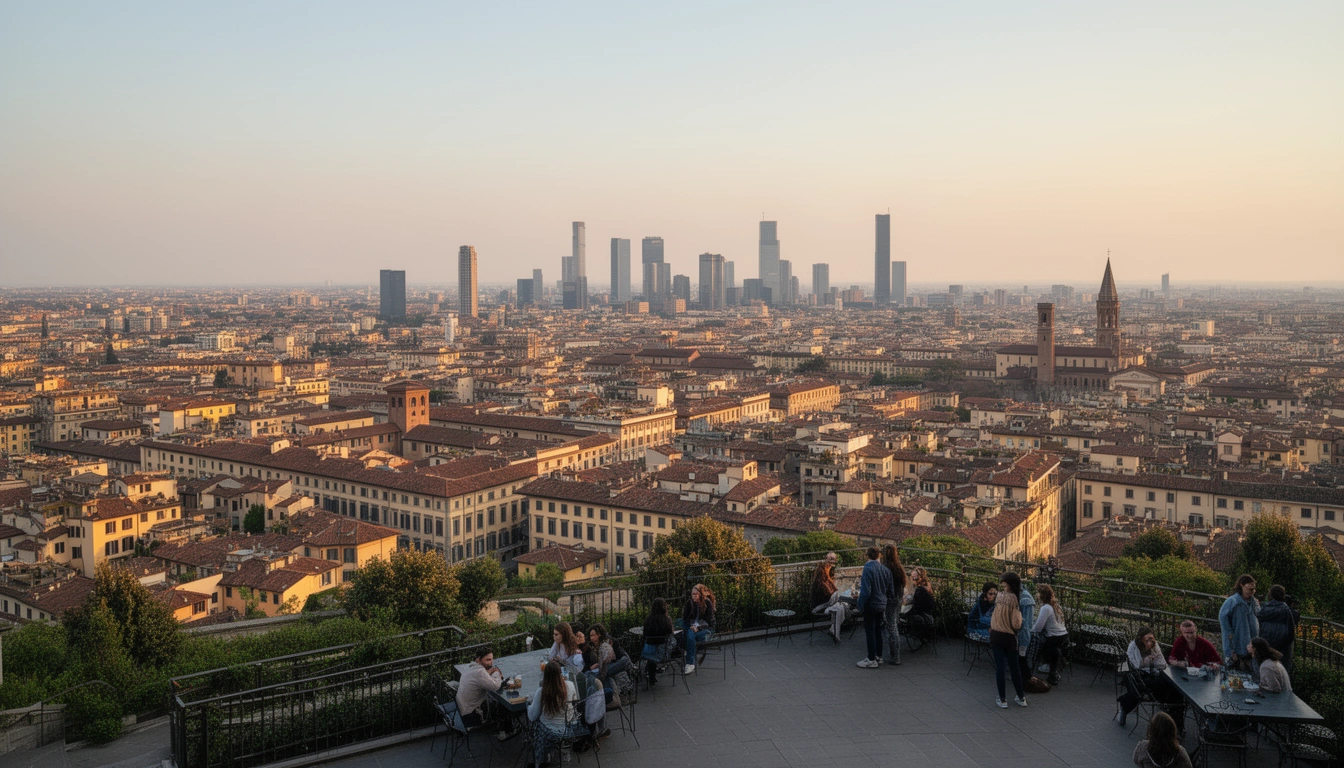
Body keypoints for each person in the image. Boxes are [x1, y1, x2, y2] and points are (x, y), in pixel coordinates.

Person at [1117, 627, 1183, 729]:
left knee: (1171, 687)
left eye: (1151, 639)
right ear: (1140, 639)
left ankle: (1175, 720)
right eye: (1146, 640)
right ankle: (1126, 708)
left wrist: (1154, 656)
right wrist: (1146, 661)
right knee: (1142, 687)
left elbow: (1162, 664)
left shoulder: (1155, 645)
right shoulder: (1133, 646)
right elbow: (1134, 665)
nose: (1149, 641)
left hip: (1153, 674)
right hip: (1136, 675)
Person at [527, 660, 587, 767]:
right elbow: (574, 702)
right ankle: (564, 750)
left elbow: (532, 716)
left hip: (549, 732)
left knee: (536, 724)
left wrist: (529, 705)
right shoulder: (570, 685)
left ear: (545, 676)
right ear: (560, 673)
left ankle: (543, 757)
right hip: (569, 729)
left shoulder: (541, 692)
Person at [456, 647, 517, 740]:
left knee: (493, 700)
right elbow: (495, 686)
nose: (491, 662)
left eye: (492, 659)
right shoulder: (480, 672)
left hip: (462, 709)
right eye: (488, 660)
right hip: (472, 715)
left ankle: (505, 728)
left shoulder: (471, 667)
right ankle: (505, 732)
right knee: (502, 705)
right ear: (478, 659)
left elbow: (482, 677)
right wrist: (496, 672)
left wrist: (489, 672)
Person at [989, 571, 1027, 708]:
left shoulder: (998, 597)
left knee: (1000, 668)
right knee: (1014, 668)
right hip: (1009, 637)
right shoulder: (1014, 599)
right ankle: (1021, 697)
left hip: (996, 634)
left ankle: (1002, 699)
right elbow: (1017, 623)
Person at [855, 546, 894, 668]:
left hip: (871, 603)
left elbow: (865, 591)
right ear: (879, 555)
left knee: (870, 631)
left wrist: (860, 605)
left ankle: (871, 659)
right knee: (878, 630)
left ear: (868, 556)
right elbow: (891, 590)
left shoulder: (868, 568)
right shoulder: (885, 570)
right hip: (882, 603)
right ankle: (879, 656)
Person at [1219, 574, 1260, 672]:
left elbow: (1259, 614)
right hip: (1238, 642)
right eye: (1249, 589)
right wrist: (1230, 636)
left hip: (1252, 644)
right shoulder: (1232, 601)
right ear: (1241, 585)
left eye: (1253, 589)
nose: (1252, 592)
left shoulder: (1253, 602)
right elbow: (1223, 618)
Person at [1032, 584, 1068, 686]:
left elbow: (1038, 627)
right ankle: (1056, 666)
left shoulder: (1046, 608)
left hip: (1054, 637)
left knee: (1041, 645)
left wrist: (1030, 630)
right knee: (1053, 649)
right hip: (1064, 635)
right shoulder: (1056, 605)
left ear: (1041, 595)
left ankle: (1049, 667)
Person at [1257, 585, 1298, 673]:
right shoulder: (1286, 611)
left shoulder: (1263, 610)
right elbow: (1291, 633)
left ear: (1270, 595)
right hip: (1282, 649)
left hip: (1266, 645)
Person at [810, 555, 847, 643]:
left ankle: (833, 630)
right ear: (824, 572)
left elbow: (834, 591)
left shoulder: (827, 580)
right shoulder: (821, 583)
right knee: (840, 605)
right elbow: (829, 595)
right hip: (819, 606)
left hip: (827, 603)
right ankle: (834, 630)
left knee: (840, 606)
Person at [682, 583, 716, 674]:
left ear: (700, 595)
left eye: (695, 594)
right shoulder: (689, 603)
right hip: (692, 628)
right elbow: (685, 619)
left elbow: (710, 622)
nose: (693, 596)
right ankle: (690, 658)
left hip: (706, 629)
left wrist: (699, 628)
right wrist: (690, 626)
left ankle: (690, 662)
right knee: (689, 634)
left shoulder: (707, 603)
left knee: (690, 637)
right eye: (692, 594)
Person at [881, 545, 907, 665]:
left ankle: (895, 656)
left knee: (891, 627)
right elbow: (902, 585)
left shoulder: (886, 568)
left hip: (890, 599)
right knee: (894, 624)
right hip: (898, 599)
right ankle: (895, 654)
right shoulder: (899, 568)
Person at [640, 598, 675, 686]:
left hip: (649, 652)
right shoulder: (666, 620)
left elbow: (644, 636)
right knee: (673, 641)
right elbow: (670, 634)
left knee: (651, 650)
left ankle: (651, 675)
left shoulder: (648, 620)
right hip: (662, 653)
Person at [904, 566, 936, 643]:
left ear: (921, 578)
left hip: (922, 611)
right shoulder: (923, 586)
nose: (913, 580)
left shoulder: (921, 589)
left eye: (915, 578)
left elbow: (917, 603)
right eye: (912, 577)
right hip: (926, 610)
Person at [1016, 575, 1037, 684]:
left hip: (1022, 635)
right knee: (1020, 657)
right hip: (1019, 634)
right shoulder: (1021, 597)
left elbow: (1026, 625)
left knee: (1021, 657)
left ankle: (1025, 679)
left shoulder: (1026, 600)